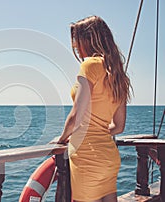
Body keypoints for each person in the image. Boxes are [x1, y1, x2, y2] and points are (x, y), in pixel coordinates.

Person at [57, 16, 132, 202]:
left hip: (87, 157)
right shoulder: (117, 74)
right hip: (108, 157)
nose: (75, 46)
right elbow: (119, 126)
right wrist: (98, 131)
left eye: (77, 41)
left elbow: (76, 116)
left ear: (88, 40)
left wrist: (61, 139)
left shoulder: (90, 65)